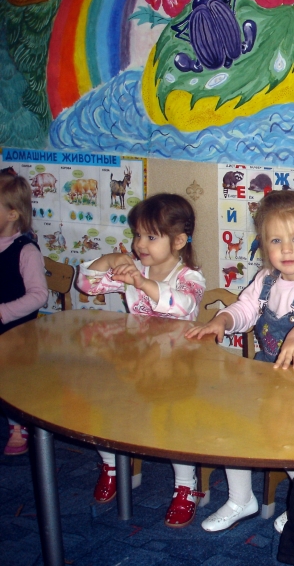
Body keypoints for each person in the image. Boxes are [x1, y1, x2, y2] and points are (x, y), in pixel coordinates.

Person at [184, 190, 294, 546]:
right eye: (276, 240)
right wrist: (222, 321)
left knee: (288, 439)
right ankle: (240, 499)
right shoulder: (266, 279)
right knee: (231, 422)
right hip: (273, 380)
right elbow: (244, 310)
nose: (286, 249)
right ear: (264, 244)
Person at [75, 192, 206, 527]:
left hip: (177, 367)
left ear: (178, 241)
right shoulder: (136, 268)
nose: (140, 244)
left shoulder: (188, 276)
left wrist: (143, 283)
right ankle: (112, 465)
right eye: (137, 235)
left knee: (174, 424)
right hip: (135, 360)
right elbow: (87, 285)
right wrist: (109, 259)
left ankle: (186, 486)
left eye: (151, 237)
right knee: (103, 406)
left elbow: (183, 305)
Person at [0, 172, 47, 455]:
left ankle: (17, 425)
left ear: (12, 214)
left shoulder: (26, 251)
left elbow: (38, 295)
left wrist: (3, 312)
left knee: (11, 378)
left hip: (16, 330)